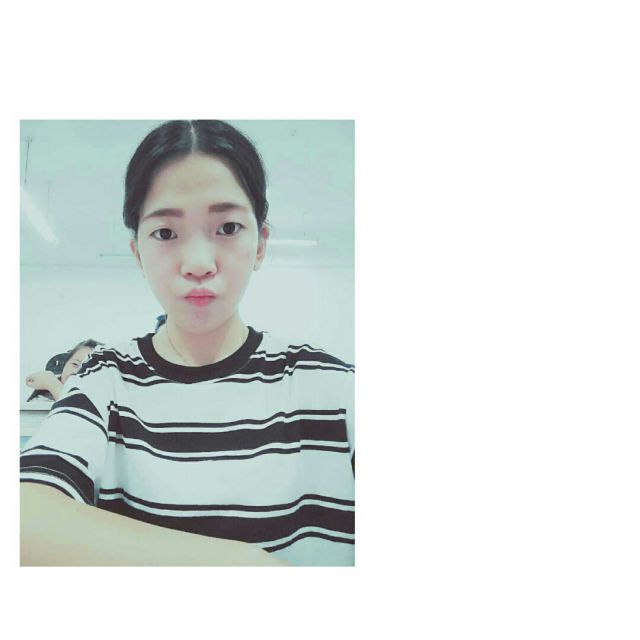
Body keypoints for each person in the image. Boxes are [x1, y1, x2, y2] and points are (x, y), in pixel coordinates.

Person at [20, 120, 354, 567]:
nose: (198, 263)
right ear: (138, 253)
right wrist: (250, 568)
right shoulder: (106, 379)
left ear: (260, 244)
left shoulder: (331, 387)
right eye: (165, 233)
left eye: (228, 227)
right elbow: (23, 518)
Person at [25, 339, 102, 402]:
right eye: (75, 364)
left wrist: (51, 383)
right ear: (65, 365)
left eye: (89, 367)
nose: (77, 372)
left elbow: (77, 411)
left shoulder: (101, 402)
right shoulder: (41, 400)